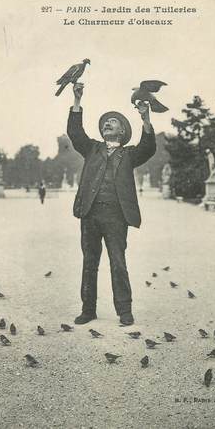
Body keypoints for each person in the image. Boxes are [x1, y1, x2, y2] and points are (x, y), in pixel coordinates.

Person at [67, 83, 156, 326]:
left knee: (118, 262)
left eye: (114, 121)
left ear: (123, 131)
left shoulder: (129, 154)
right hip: (90, 214)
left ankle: (124, 311)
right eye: (106, 122)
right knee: (89, 263)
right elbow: (75, 134)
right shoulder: (92, 149)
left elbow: (148, 147)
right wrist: (77, 101)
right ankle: (88, 310)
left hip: (116, 217)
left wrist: (146, 117)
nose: (108, 123)